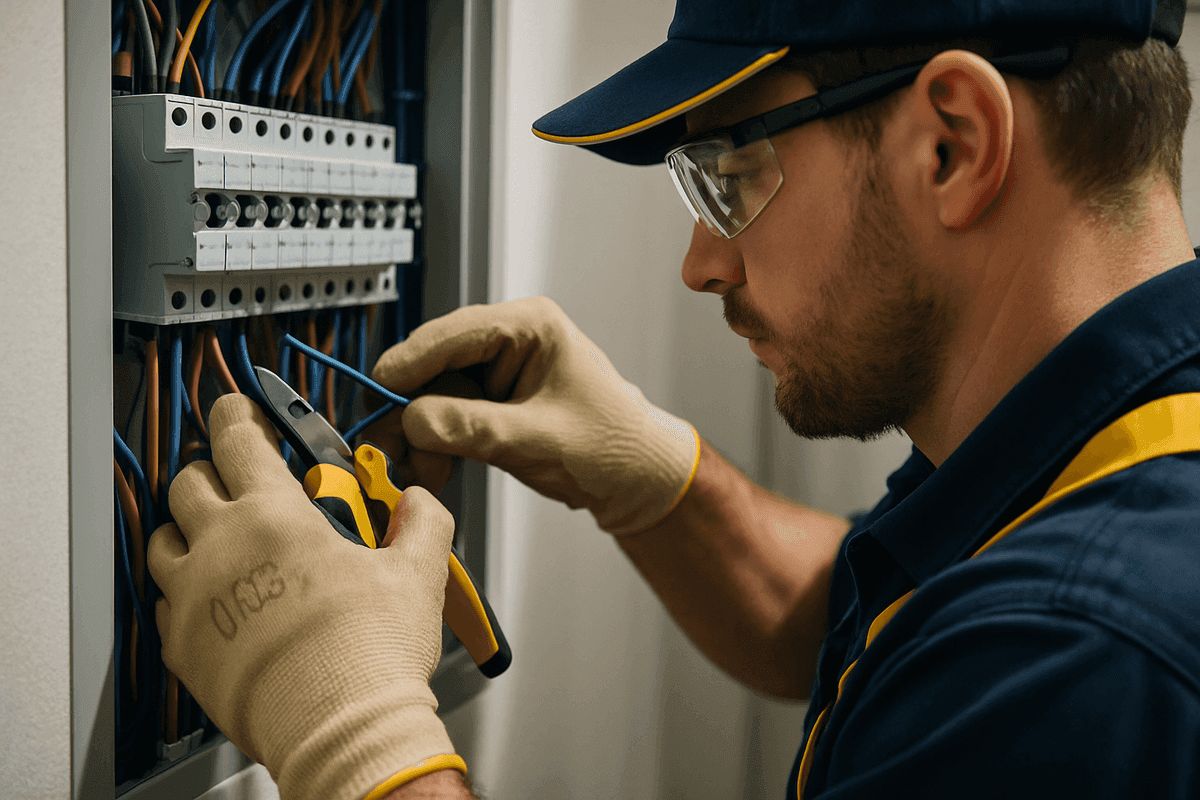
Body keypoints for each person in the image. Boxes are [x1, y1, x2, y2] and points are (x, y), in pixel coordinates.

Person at [148, 0, 1200, 797]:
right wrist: (663, 483)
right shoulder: (1112, 436)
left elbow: (986, 649)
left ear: (952, 143)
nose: (703, 264)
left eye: (728, 175)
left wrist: (359, 737)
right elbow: (867, 615)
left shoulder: (1076, 658)